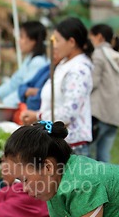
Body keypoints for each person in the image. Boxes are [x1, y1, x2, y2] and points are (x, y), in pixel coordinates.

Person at [21, 17, 94, 156]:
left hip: (72, 147)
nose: (54, 45)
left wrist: (37, 116)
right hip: (59, 143)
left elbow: (69, 113)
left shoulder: (79, 70)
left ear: (71, 42)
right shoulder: (65, 64)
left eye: (57, 41)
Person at [0, 21, 48, 107]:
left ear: (32, 41)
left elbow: (22, 90)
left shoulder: (38, 62)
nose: (19, 41)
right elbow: (14, 83)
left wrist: (4, 104)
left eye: (22, 37)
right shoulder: (30, 59)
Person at [89, 24, 119, 163]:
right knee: (104, 157)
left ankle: (91, 185)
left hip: (100, 114)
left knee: (89, 158)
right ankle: (109, 185)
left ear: (99, 37)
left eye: (91, 37)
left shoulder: (98, 54)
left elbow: (92, 83)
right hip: (115, 115)